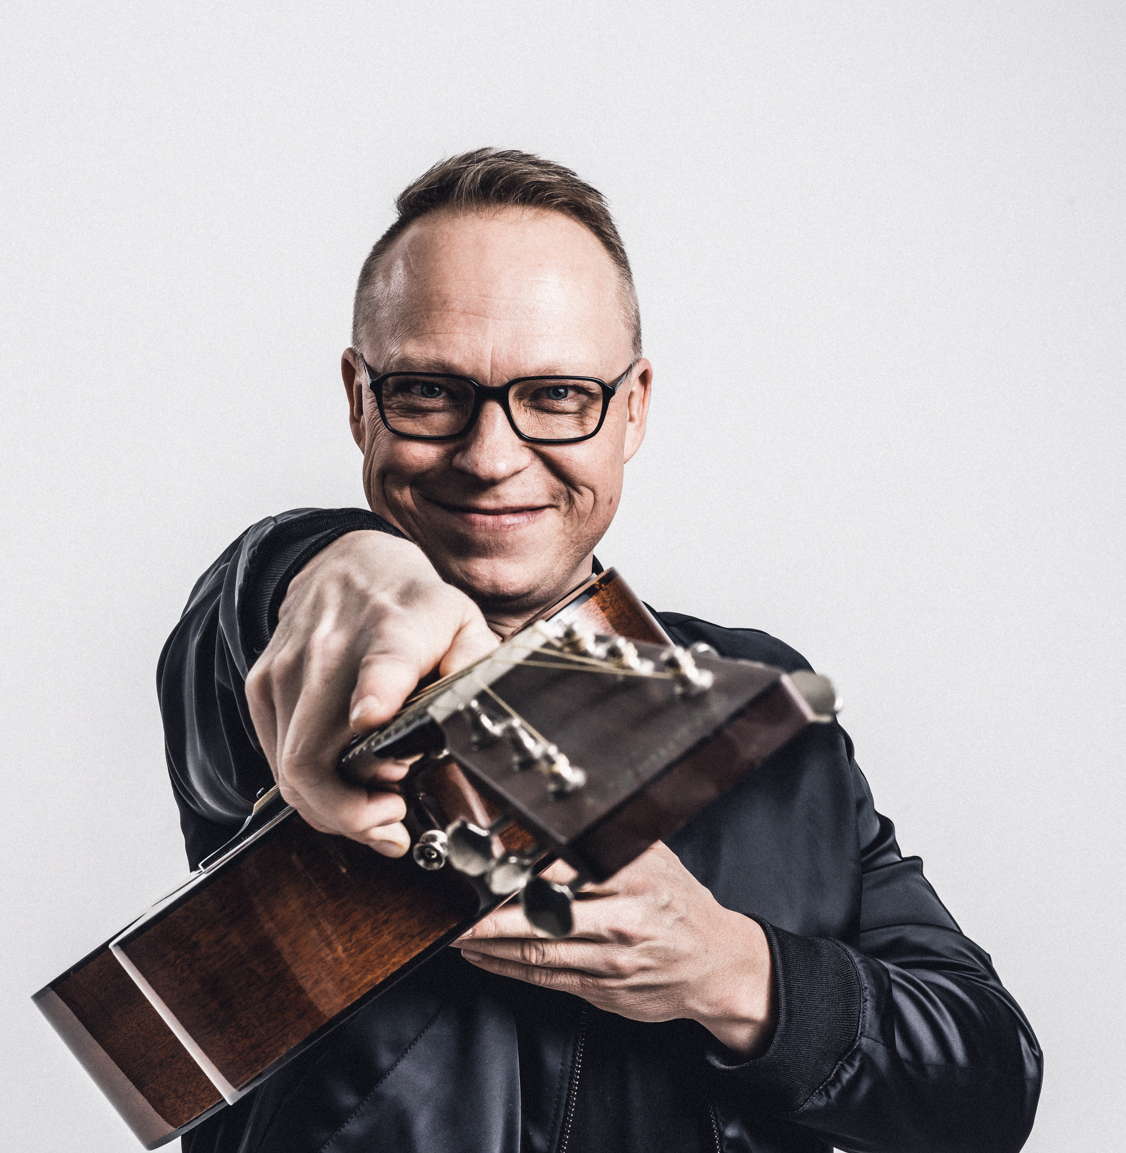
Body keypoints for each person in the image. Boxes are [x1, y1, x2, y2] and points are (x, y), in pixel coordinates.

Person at [159, 149, 1042, 1153]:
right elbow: (256, 609)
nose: (491, 457)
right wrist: (326, 564)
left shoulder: (755, 704)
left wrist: (729, 970)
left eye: (556, 395)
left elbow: (986, 1086)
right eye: (427, 392)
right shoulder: (288, 662)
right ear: (359, 398)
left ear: (632, 407)